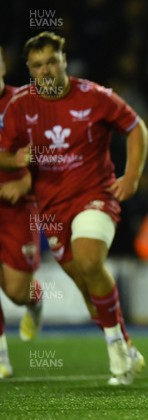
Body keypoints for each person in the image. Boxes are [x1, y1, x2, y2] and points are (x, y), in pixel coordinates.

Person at [0, 32, 148, 385]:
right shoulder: (19, 105)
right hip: (51, 209)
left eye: (52, 61)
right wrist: (16, 161)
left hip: (96, 196)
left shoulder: (95, 97)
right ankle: (126, 345)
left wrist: (131, 176)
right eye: (38, 65)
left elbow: (137, 127)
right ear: (30, 69)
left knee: (89, 260)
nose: (46, 70)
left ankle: (116, 354)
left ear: (65, 60)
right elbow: (3, 150)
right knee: (86, 286)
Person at [0, 45, 43, 378]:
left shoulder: (25, 103)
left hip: (18, 206)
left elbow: (46, 155)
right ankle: (1, 357)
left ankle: (35, 300)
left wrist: (25, 183)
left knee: (16, 291)